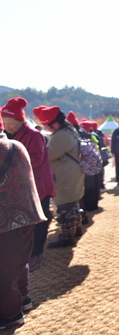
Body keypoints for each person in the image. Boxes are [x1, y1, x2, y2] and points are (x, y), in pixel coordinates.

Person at [0, 120, 46, 330]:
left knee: (4, 271)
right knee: (19, 262)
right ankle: (24, 298)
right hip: (28, 213)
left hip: (6, 219)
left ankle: (10, 315)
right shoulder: (15, 145)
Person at [1, 98, 55, 271]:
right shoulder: (6, 137)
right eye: (5, 123)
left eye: (11, 123)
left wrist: (12, 165)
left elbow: (37, 159)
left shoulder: (34, 135)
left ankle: (36, 254)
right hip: (16, 187)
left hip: (37, 185)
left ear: (20, 120)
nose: (8, 126)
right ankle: (24, 254)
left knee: (38, 220)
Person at [33, 106, 85, 248]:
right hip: (72, 173)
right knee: (73, 204)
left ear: (55, 124)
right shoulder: (69, 131)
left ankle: (68, 237)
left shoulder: (61, 136)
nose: (47, 129)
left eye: (47, 126)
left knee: (65, 207)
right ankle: (76, 230)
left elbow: (48, 155)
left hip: (65, 176)